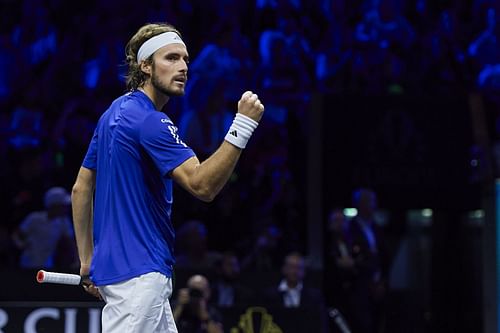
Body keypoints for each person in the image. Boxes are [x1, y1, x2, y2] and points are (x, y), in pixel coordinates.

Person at [71, 22, 265, 333]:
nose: (184, 67)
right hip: (139, 278)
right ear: (145, 66)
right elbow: (203, 185)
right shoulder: (151, 122)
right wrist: (242, 125)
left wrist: (87, 262)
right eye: (171, 58)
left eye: (186, 59)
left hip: (130, 275)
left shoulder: (113, 113)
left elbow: (81, 189)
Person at [346, 188, 389, 333]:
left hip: (379, 286)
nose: (374, 205)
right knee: (362, 326)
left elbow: (384, 258)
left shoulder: (376, 228)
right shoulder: (349, 229)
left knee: (378, 325)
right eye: (371, 202)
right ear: (360, 204)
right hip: (359, 288)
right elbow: (352, 261)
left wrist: (381, 281)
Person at [12, 186, 77, 269]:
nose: (66, 208)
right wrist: (23, 245)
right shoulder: (34, 218)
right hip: (28, 265)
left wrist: (76, 260)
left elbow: (70, 242)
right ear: (54, 205)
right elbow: (17, 235)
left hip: (47, 266)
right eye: (63, 205)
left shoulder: (64, 222)